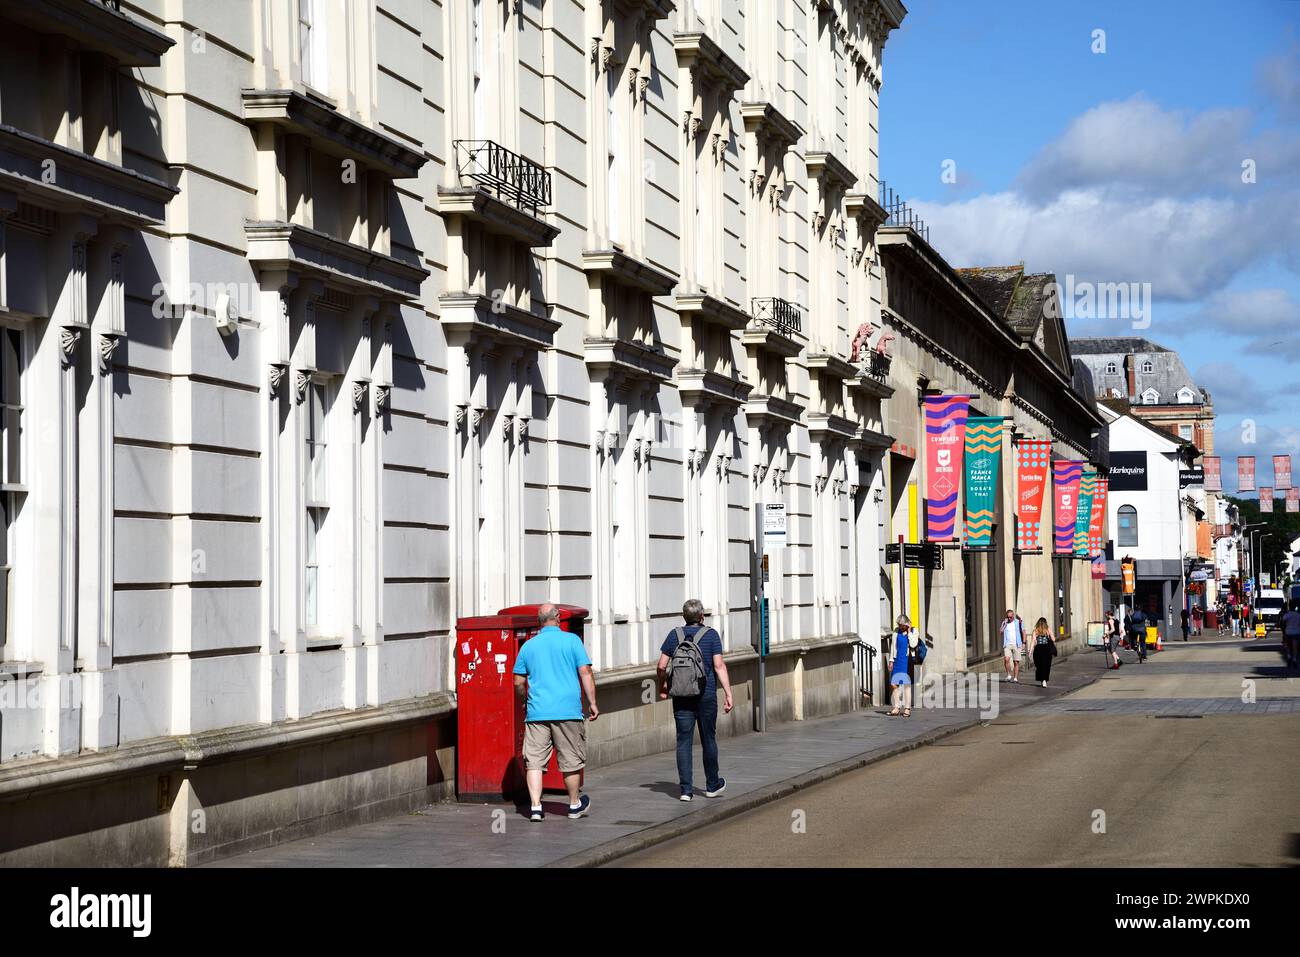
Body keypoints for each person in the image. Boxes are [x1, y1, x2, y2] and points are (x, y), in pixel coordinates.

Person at [512, 603, 599, 822]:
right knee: (570, 760)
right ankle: (573, 805)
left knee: (534, 761)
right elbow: (585, 672)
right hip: (568, 710)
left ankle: (535, 808)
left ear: (539, 620)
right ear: (558, 618)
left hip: (537, 712)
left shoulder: (528, 646)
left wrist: (525, 701)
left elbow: (518, 682)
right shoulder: (572, 641)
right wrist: (593, 702)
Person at [657, 599, 733, 801]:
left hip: (681, 695)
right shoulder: (711, 636)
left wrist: (663, 686)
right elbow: (719, 666)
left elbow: (661, 665)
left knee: (683, 741)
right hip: (706, 694)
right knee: (708, 739)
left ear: (684, 617)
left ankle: (685, 791)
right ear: (702, 617)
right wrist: (728, 693)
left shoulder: (674, 636)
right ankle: (712, 785)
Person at [886, 615, 917, 717]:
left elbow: (913, 644)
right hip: (897, 659)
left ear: (906, 624)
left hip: (907, 660)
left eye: (901, 625)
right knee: (894, 684)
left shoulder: (913, 631)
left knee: (907, 685)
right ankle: (897, 707)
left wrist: (908, 633)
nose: (899, 627)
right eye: (898, 625)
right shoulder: (896, 631)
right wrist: (891, 660)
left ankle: (907, 708)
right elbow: (893, 646)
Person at [999, 608, 1025, 682]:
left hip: (1017, 644)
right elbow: (1000, 631)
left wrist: (1024, 643)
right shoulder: (1005, 623)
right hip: (1007, 644)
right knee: (1006, 659)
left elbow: (1023, 632)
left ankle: (1015, 678)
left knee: (1016, 662)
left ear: (1013, 615)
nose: (1009, 618)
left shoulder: (1019, 622)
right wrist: (1005, 624)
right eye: (1008, 617)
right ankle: (1009, 675)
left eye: (1011, 617)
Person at [1030, 617, 1057, 687]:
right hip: (1046, 649)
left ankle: (1042, 680)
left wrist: (1030, 652)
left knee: (1039, 666)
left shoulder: (1035, 631)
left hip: (1038, 650)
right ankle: (1044, 680)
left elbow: (1033, 642)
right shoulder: (1048, 630)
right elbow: (1053, 639)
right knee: (1046, 666)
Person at [1281, 600, 1300, 670]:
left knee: (1288, 646)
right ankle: (1294, 659)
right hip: (1296, 633)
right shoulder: (1298, 615)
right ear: (1295, 607)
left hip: (1288, 632)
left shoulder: (1287, 615)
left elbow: (1283, 622)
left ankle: (1289, 657)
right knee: (1295, 647)